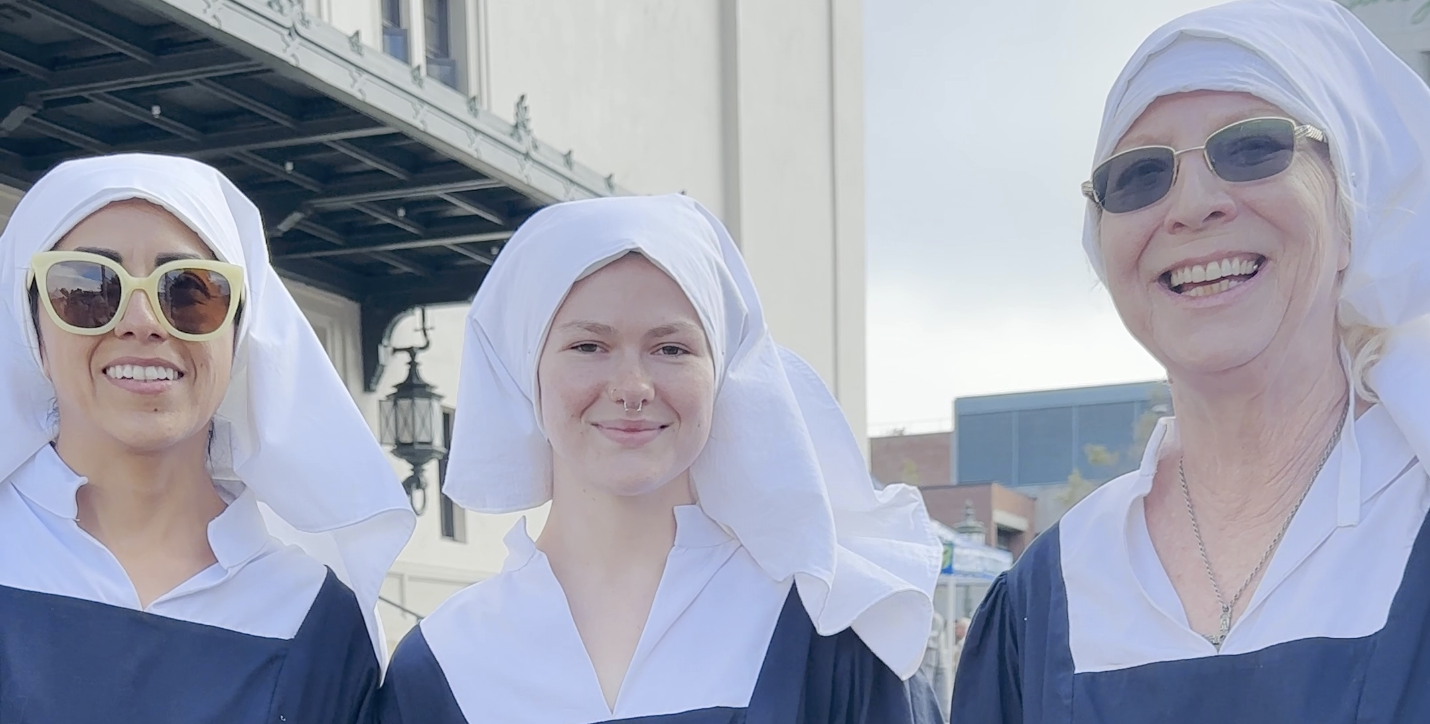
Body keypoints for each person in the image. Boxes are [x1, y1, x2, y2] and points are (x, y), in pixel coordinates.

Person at [951, 0, 1430, 720]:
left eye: (1252, 147)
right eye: (1140, 175)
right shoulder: (1046, 597)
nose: (1193, 204)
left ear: (1348, 207)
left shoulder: (1412, 514)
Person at [377, 194, 945, 723]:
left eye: (671, 348)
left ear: (722, 372)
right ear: (527, 370)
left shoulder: (826, 629)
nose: (632, 386)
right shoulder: (442, 665)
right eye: (588, 346)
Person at [0, 154, 416, 722]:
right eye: (87, 287)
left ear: (238, 332)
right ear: (33, 328)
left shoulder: (314, 621)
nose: (141, 319)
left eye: (189, 292)